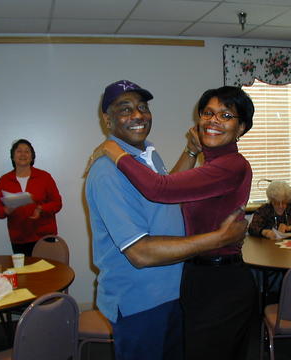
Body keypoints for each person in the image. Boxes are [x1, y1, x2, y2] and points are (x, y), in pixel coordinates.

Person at [85, 80, 248, 360]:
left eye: (142, 107)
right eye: (125, 109)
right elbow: (140, 252)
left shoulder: (146, 155)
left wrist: (190, 152)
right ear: (106, 119)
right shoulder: (107, 172)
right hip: (142, 302)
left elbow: (164, 189)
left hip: (174, 292)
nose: (137, 115)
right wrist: (219, 238)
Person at [0, 139, 62, 256]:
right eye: (19, 151)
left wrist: (41, 209)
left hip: (44, 236)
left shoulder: (44, 177)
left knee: (46, 273)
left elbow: (57, 203)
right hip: (19, 238)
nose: (23, 154)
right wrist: (6, 210)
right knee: (24, 273)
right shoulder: (4, 180)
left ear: (32, 156)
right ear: (13, 157)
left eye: (27, 151)